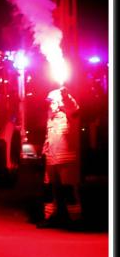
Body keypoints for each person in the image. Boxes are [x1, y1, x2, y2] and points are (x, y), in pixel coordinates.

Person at [38, 86, 82, 229]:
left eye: (52, 101)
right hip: (51, 158)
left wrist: (65, 95)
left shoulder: (69, 113)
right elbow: (48, 137)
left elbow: (72, 106)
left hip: (65, 159)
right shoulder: (50, 118)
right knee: (48, 188)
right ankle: (49, 217)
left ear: (59, 102)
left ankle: (75, 219)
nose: (50, 104)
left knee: (68, 189)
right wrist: (44, 152)